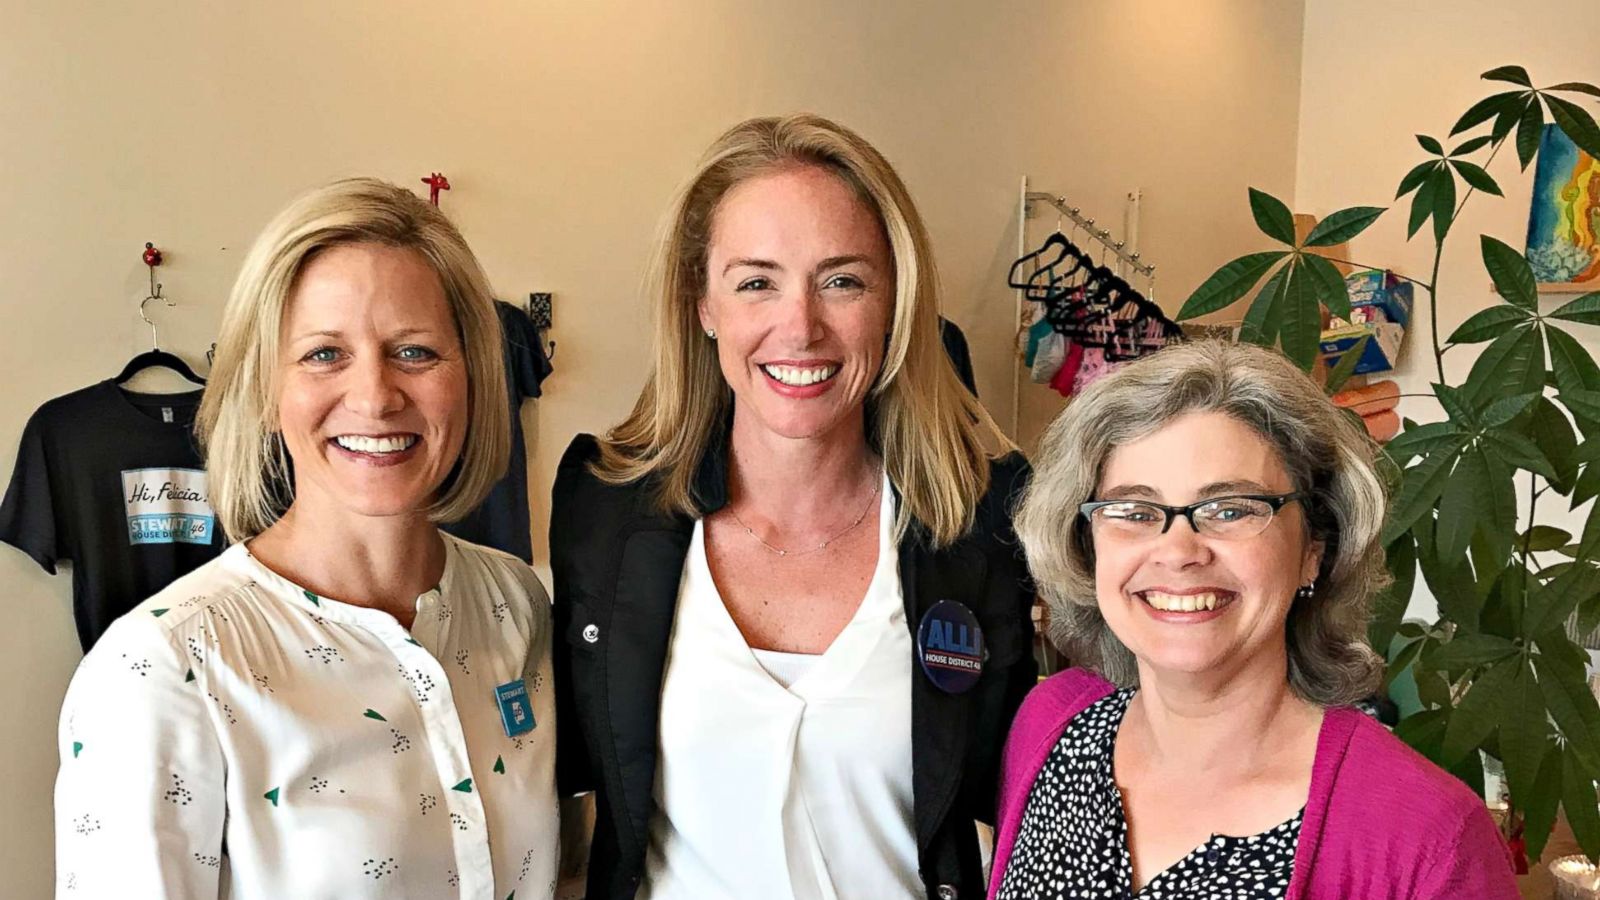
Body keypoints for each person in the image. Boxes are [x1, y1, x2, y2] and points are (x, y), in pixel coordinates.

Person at [551, 114, 1036, 900]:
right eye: (756, 282)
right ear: (702, 304)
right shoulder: (602, 508)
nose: (800, 327)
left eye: (842, 280)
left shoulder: (983, 528)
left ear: (894, 303)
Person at [52, 178, 559, 899]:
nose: (376, 396)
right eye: (324, 354)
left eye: (414, 351)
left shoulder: (516, 604)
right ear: (264, 389)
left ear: (472, 378)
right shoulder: (166, 668)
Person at [989, 340, 1518, 899]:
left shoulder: (1431, 838)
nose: (1178, 551)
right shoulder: (1049, 725)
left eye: (1231, 509)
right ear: (1088, 543)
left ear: (1315, 546)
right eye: (1134, 511)